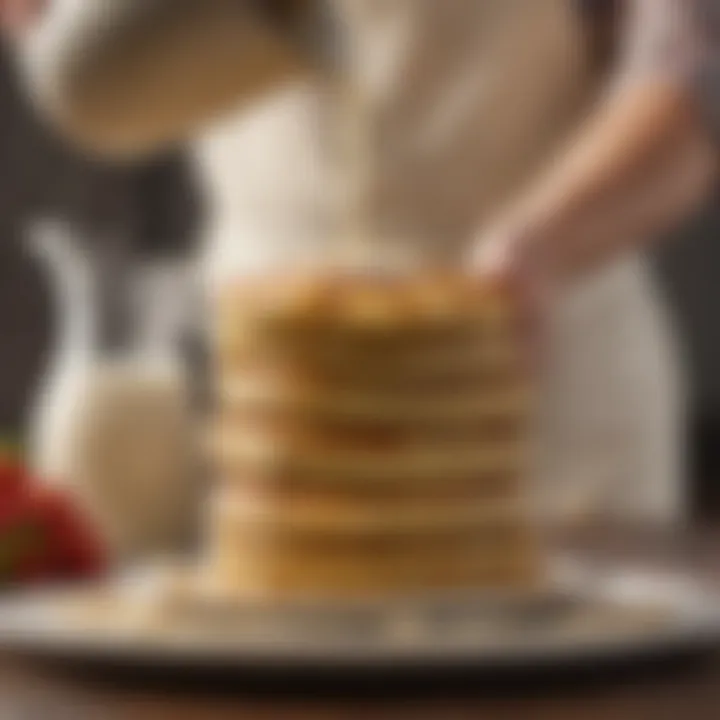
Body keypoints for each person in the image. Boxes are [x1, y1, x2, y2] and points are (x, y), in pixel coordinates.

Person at [4, 0, 719, 523]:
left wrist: (538, 245)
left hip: (539, 399)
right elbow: (73, 47)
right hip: (271, 398)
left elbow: (696, 72)